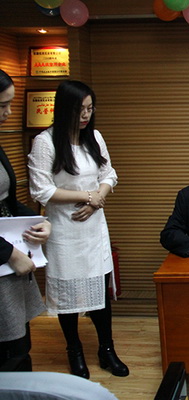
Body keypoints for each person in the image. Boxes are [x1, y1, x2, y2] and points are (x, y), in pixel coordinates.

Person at [28, 80, 128, 379]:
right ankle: (75, 351)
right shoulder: (45, 142)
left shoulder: (94, 137)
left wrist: (97, 199)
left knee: (100, 291)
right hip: (64, 230)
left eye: (90, 108)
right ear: (64, 110)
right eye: (80, 110)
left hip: (94, 229)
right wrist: (87, 196)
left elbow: (109, 174)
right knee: (68, 296)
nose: (86, 115)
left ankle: (107, 350)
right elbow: (41, 190)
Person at [0, 69, 52, 371]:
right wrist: (9, 253)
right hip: (6, 255)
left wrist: (37, 220)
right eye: (2, 105)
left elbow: (6, 201)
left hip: (8, 263)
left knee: (18, 345)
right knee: (9, 352)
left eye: (10, 104)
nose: (8, 113)